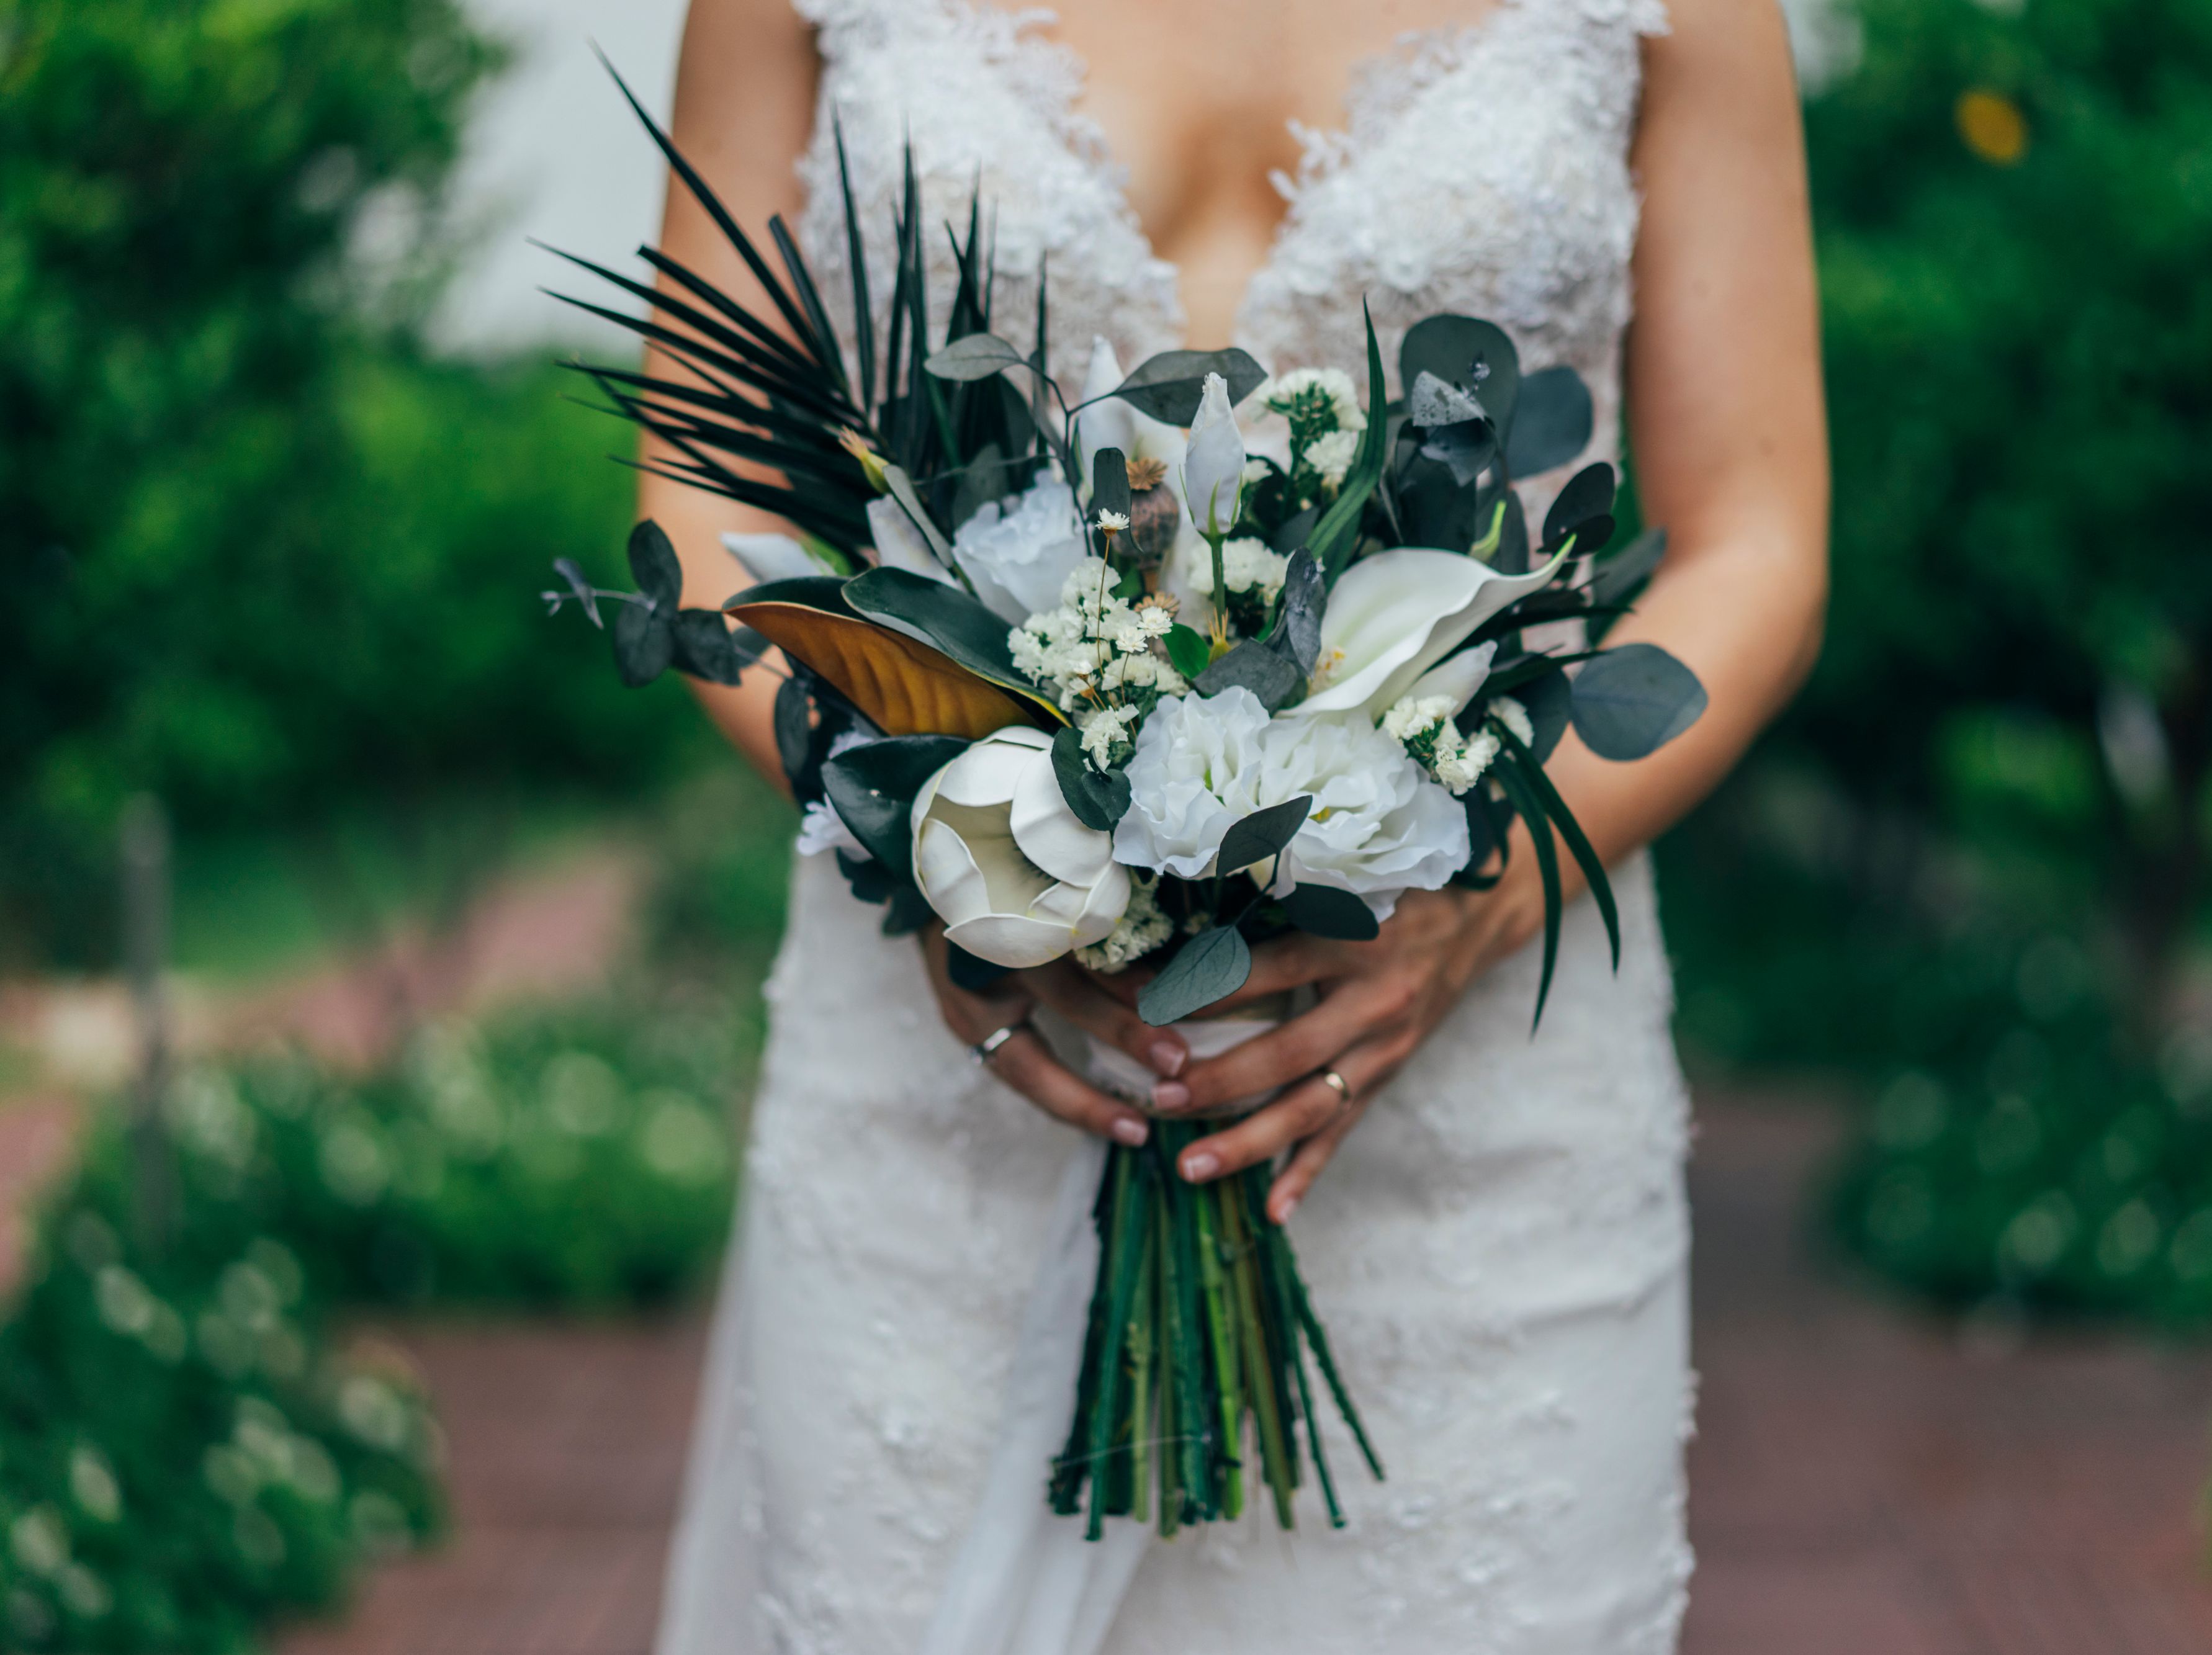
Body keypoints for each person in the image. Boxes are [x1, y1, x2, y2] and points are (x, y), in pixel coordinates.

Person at [643, 0, 1826, 1648]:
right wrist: (943, 834)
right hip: (955, 1090)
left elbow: (1757, 536)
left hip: (1478, 1108)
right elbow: (702, 501)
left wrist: (1474, 897)